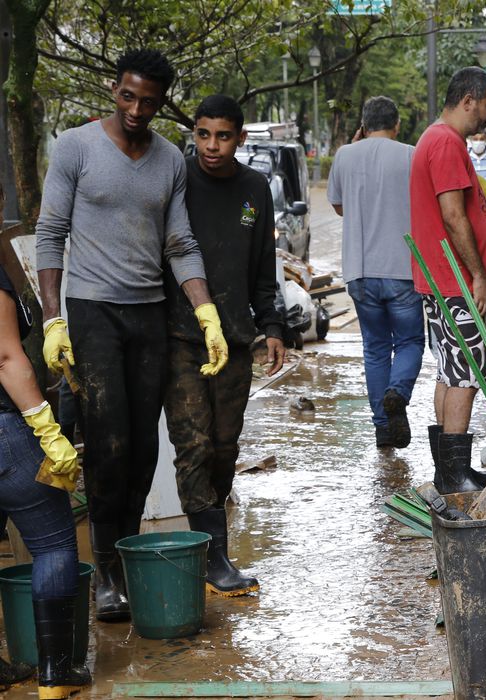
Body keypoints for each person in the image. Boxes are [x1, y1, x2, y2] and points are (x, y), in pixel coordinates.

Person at [35, 49, 228, 622]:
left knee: (144, 448)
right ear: (114, 90)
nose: (136, 109)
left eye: (148, 101)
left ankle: (123, 558)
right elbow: (50, 233)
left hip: (148, 315)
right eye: (128, 96)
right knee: (109, 443)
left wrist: (206, 311)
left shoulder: (170, 159)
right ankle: (105, 575)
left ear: (161, 102)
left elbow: (180, 244)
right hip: (92, 312)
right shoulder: (75, 147)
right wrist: (53, 318)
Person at [163, 94, 284, 597]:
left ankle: (213, 548)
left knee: (225, 446)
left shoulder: (255, 188)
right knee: (192, 444)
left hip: (234, 336)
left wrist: (272, 326)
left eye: (223, 136)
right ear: (193, 133)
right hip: (180, 335)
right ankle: (213, 559)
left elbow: (263, 267)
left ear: (240, 138)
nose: (212, 146)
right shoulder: (175, 179)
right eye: (203, 134)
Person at [410, 67, 486, 494]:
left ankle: (449, 470)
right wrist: (478, 276)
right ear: (468, 100)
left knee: (450, 371)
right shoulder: (446, 142)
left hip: (444, 279)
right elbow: (452, 215)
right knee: (465, 373)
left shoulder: (437, 139)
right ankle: (454, 473)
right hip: (456, 281)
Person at [0, 258, 89, 697]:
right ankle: (57, 673)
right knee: (53, 544)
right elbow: (5, 356)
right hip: (6, 437)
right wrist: (47, 430)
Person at [328, 96, 424, 449]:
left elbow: (339, 206)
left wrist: (354, 150)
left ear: (363, 125)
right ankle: (397, 392)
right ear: (396, 124)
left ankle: (383, 428)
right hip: (402, 268)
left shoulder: (344, 155)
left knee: (375, 348)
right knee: (410, 341)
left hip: (359, 270)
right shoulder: (411, 154)